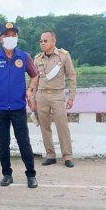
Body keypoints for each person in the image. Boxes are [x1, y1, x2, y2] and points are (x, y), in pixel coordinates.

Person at [0, 21, 39, 189]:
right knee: (3, 142)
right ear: (1, 38)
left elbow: (34, 75)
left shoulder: (24, 56)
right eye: (7, 35)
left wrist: (30, 91)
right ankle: (7, 174)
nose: (11, 38)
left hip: (17, 107)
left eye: (14, 35)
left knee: (23, 141)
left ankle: (31, 175)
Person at [34, 31, 77, 167]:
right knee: (44, 127)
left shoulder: (64, 56)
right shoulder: (37, 59)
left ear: (54, 41)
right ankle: (50, 155)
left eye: (45, 41)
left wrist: (71, 97)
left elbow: (71, 76)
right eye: (41, 41)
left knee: (62, 126)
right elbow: (34, 80)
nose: (42, 43)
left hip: (58, 95)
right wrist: (33, 98)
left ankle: (67, 156)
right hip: (41, 95)